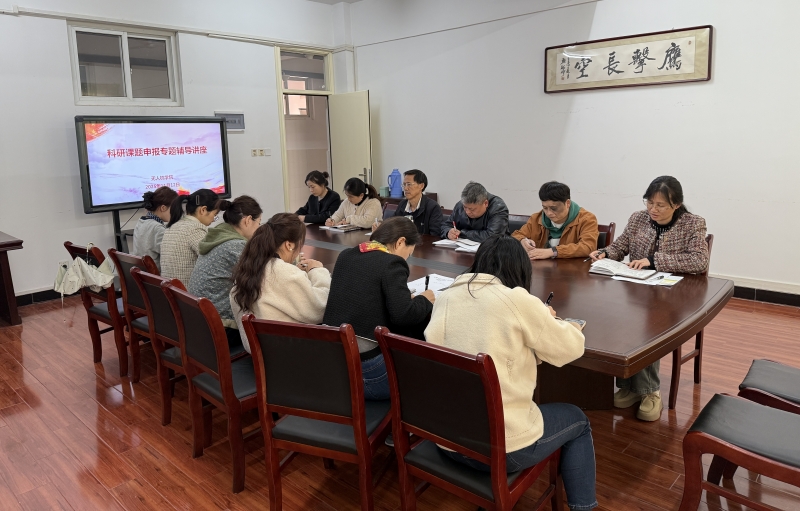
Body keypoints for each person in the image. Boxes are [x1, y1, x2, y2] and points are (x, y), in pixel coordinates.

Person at [425, 235, 597, 510]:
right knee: (577, 420)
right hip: (503, 449)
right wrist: (559, 322)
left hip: (447, 439)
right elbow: (570, 348)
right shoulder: (517, 300)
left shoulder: (447, 296)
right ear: (520, 268)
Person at [590, 176, 709, 422]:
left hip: (674, 295)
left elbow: (699, 260)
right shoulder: (638, 218)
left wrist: (654, 261)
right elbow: (621, 246)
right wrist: (605, 253)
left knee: (649, 324)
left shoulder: (693, 223)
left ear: (676, 205)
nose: (653, 209)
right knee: (618, 318)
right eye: (649, 202)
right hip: (637, 290)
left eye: (660, 205)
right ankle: (628, 387)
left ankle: (650, 392)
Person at [323, 217, 434, 400]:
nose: (407, 258)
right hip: (368, 374)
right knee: (428, 369)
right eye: (409, 253)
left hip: (334, 367)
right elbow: (403, 315)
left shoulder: (346, 255)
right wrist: (424, 299)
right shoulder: (392, 263)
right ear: (400, 242)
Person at [230, 213, 330, 353]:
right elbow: (321, 308)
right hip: (287, 355)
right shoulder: (283, 272)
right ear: (289, 245)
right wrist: (317, 270)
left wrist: (296, 273)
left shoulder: (248, 267)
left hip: (259, 352)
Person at [188, 195, 262, 350]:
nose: (259, 228)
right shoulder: (235, 245)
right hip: (219, 327)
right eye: (259, 223)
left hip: (198, 322)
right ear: (248, 220)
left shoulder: (217, 236)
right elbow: (264, 274)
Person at [511, 181, 599, 260]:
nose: (549, 213)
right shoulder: (536, 218)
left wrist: (553, 251)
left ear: (567, 203)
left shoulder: (587, 219)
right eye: (545, 208)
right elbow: (516, 235)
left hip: (571, 269)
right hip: (540, 268)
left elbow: (588, 247)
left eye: (554, 208)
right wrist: (522, 241)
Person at [160, 189, 220, 286]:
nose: (213, 220)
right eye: (215, 215)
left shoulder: (172, 226)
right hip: (187, 292)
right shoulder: (196, 229)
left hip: (171, 291)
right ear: (203, 210)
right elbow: (214, 262)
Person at [441, 181, 509, 242]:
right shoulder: (460, 205)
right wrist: (448, 232)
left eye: (472, 209)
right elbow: (446, 225)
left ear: (485, 203)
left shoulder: (498, 207)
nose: (467, 212)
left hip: (493, 250)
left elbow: (493, 237)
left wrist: (462, 233)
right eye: (465, 207)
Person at [385, 169, 443, 236]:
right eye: (404, 184)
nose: (405, 188)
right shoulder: (402, 204)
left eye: (409, 184)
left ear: (421, 186)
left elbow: (435, 236)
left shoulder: (433, 207)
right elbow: (393, 225)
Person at [132, 186, 178, 270]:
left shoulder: (141, 222)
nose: (175, 213)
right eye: (173, 209)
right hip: (155, 275)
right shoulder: (158, 229)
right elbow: (172, 257)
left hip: (142, 274)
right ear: (163, 208)